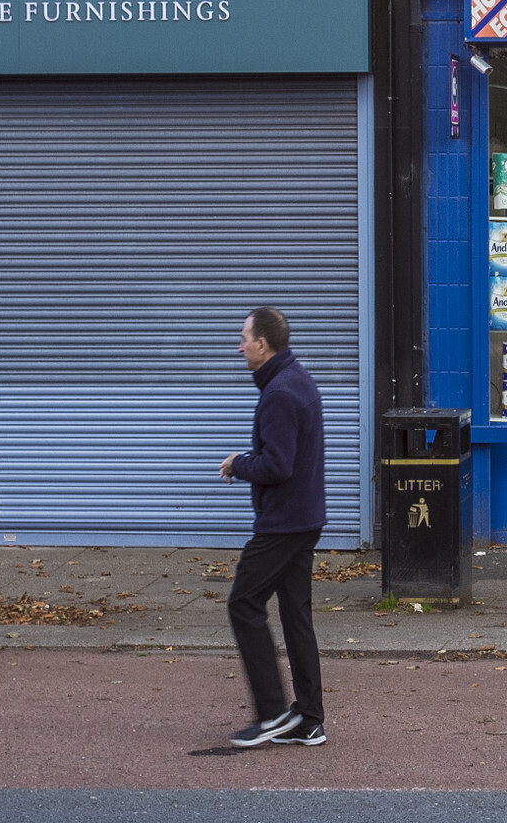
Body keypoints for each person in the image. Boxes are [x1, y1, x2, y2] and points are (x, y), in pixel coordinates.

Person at [219, 305, 327, 748]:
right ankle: (309, 719)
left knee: (243, 603)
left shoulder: (279, 393)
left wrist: (237, 463)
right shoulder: (297, 379)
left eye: (244, 338)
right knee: (296, 615)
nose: (239, 345)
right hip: (304, 518)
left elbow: (277, 465)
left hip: (283, 523)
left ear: (262, 345)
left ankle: (271, 714)